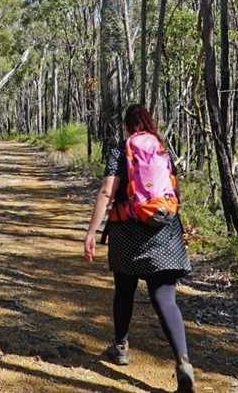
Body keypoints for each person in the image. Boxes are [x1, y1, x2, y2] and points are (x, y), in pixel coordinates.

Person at [83, 104, 195, 393]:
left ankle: (120, 346)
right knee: (165, 298)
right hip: (165, 230)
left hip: (128, 232)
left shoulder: (121, 151)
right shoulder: (161, 150)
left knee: (124, 290)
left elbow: (108, 190)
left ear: (127, 126)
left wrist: (92, 231)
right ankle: (183, 361)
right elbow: (173, 192)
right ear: (148, 123)